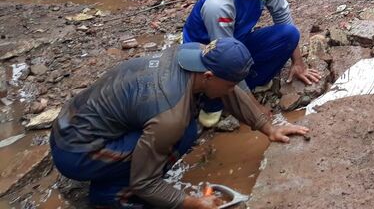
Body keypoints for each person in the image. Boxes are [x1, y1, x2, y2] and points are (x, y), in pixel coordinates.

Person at [50, 37, 309, 209]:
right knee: (176, 135)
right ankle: (111, 195)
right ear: (208, 76)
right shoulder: (170, 114)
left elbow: (231, 88)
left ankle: (114, 173)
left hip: (72, 121)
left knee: (183, 130)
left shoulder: (195, 53)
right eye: (228, 84)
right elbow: (145, 182)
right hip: (75, 149)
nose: (231, 89)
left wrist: (268, 127)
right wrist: (187, 202)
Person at [182, 0, 323, 127]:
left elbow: (282, 16)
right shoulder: (220, 3)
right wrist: (255, 110)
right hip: (207, 54)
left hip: (236, 41)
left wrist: (298, 62)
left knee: (289, 35)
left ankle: (241, 88)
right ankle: (213, 99)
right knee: (223, 76)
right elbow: (224, 58)